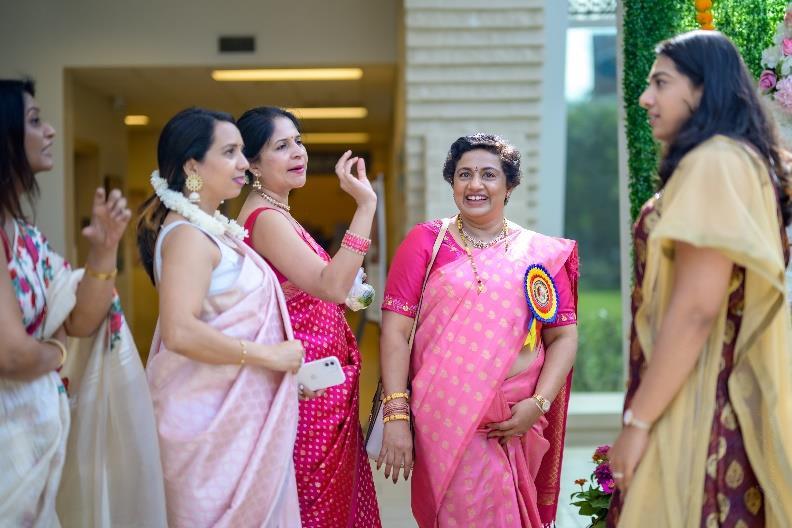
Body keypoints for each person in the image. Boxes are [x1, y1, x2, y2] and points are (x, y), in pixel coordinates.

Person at [606, 31, 792, 527]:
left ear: (704, 88)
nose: (645, 98)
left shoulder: (715, 162)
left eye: (661, 83)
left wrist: (639, 422)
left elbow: (695, 310)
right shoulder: (736, 160)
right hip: (708, 400)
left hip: (700, 413)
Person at [378, 133, 579, 527]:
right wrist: (396, 414)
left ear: (510, 185)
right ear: (452, 182)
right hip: (447, 418)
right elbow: (395, 333)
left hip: (517, 419)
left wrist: (538, 403)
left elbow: (563, 337)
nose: (475, 185)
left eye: (489, 174)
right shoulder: (426, 242)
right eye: (464, 174)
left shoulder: (538, 254)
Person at [0, 78, 166, 526]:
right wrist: (55, 351)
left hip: (33, 432)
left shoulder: (25, 236)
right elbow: (12, 355)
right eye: (34, 121)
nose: (50, 130)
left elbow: (82, 320)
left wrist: (104, 249)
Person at [137, 107, 304, 527]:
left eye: (242, 152)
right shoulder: (188, 236)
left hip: (238, 421)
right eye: (229, 152)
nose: (244, 164)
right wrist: (269, 357)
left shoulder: (212, 229)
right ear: (193, 166)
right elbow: (179, 331)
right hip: (206, 430)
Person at [236, 107, 381, 527]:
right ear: (252, 164)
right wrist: (366, 206)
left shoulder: (277, 213)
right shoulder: (265, 219)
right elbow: (330, 286)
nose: (298, 152)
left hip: (320, 387)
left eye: (298, 141)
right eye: (281, 146)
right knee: (316, 511)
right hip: (307, 397)